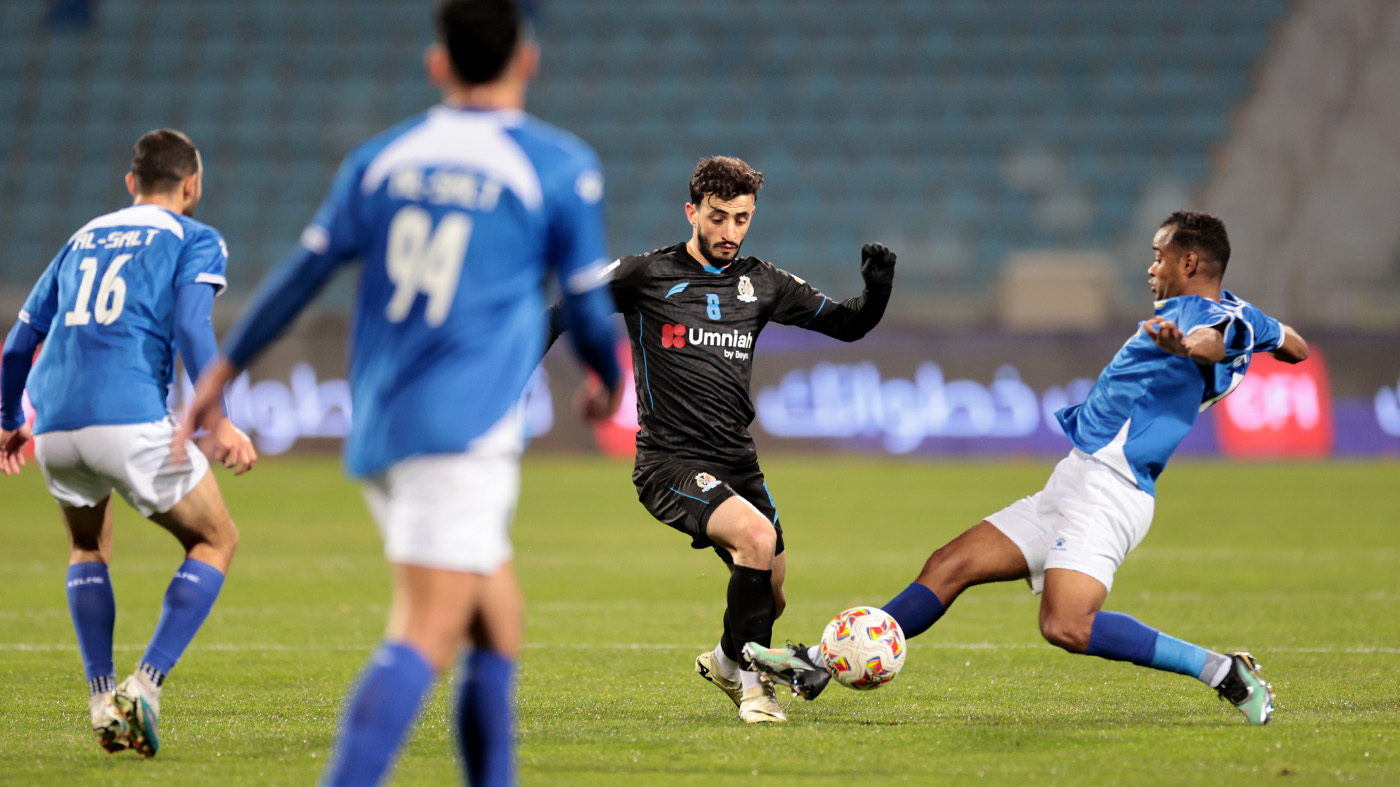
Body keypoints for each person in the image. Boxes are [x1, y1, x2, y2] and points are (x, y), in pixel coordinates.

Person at [176, 2, 622, 784]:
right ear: (529, 60)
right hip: (462, 429)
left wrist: (220, 372)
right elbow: (588, 307)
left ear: (438, 64)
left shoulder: (382, 160)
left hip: (380, 422)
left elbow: (302, 275)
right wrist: (608, 380)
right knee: (426, 629)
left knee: (498, 620)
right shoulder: (557, 164)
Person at [746, 210, 1308, 726]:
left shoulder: (1206, 317)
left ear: (1190, 262)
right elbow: (1296, 346)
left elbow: (1212, 341)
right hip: (1074, 479)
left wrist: (1188, 346)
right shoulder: (1245, 315)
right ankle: (816, 661)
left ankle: (1220, 671)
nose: (1150, 266)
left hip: (1111, 492)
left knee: (1066, 625)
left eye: (1159, 255)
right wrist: (1263, 338)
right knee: (949, 564)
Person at [544, 155, 897, 723]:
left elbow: (849, 324)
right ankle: (756, 691)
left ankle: (726, 661)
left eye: (742, 218)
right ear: (692, 212)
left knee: (773, 595)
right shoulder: (645, 275)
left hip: (738, 461)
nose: (730, 232)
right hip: (669, 463)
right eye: (718, 217)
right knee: (756, 541)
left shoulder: (764, 283)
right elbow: (563, 311)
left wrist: (877, 290)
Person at [0, 129, 257, 757]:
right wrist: (217, 420)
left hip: (54, 420)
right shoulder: (195, 238)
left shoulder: (80, 238)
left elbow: (16, 343)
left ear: (129, 184)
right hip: (129, 415)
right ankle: (144, 686)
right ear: (192, 185)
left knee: (87, 547)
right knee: (215, 538)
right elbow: (194, 325)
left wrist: (9, 418)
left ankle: (100, 698)